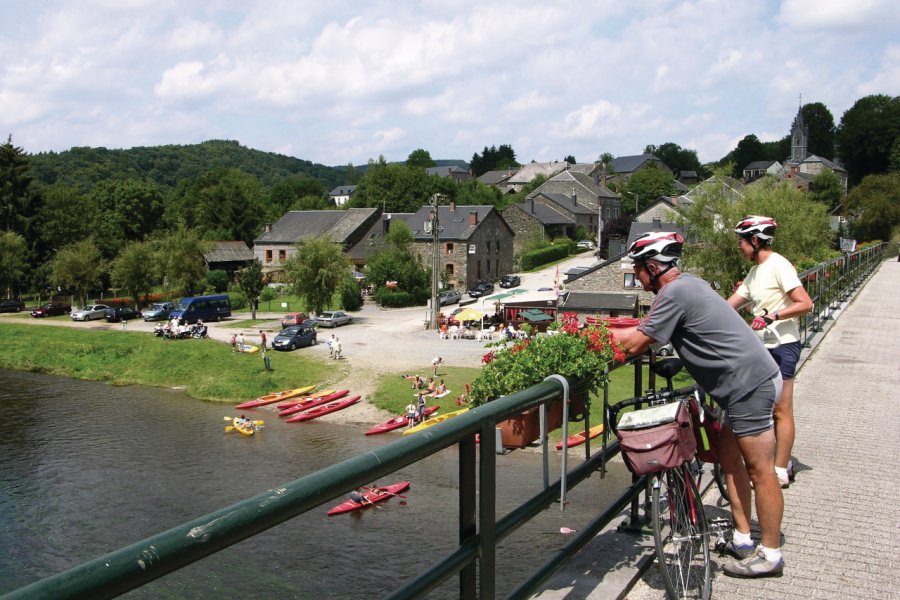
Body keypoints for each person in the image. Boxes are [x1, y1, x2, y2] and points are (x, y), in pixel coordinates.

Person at [612, 231, 785, 578]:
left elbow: (635, 344)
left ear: (651, 267)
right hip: (748, 382)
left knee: (760, 470)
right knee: (728, 458)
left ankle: (771, 554)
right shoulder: (690, 284)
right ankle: (742, 538)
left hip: (748, 386)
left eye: (638, 269)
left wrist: (589, 334)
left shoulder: (674, 292)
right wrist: (682, 359)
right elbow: (701, 331)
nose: (638, 277)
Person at [728, 216, 813, 489]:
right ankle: (770, 461)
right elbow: (729, 306)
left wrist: (773, 315)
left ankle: (780, 469)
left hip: (782, 344)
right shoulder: (755, 273)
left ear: (755, 240)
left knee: (781, 409)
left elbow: (805, 303)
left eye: (741, 241)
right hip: (761, 348)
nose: (739, 247)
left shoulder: (779, 265)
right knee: (761, 407)